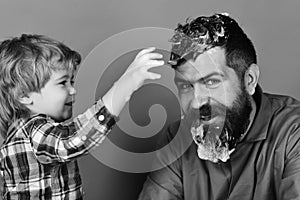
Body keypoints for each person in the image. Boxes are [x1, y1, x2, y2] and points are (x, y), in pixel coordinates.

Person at [138, 13, 300, 199]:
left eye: (211, 82)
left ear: (249, 80)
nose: (197, 101)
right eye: (185, 86)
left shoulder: (293, 132)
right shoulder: (176, 141)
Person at [0, 34, 164, 199]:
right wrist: (123, 87)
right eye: (62, 83)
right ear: (24, 95)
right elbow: (72, 141)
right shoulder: (33, 132)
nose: (73, 90)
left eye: (72, 81)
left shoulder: (25, 134)